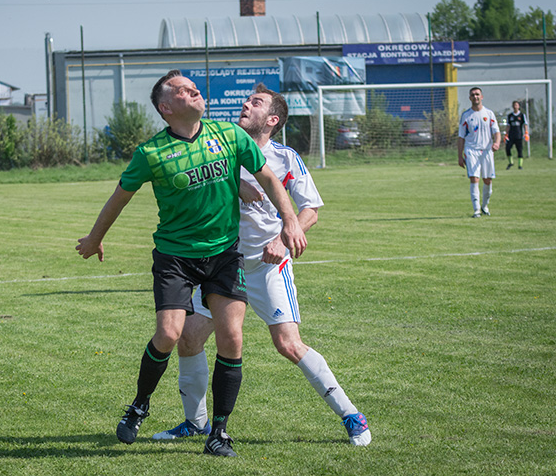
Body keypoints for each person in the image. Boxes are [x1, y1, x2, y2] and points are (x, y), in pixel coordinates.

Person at [76, 70, 307, 457]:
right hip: (175, 257)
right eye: (182, 90)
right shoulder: (151, 153)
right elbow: (120, 197)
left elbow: (268, 178)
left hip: (223, 253)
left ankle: (218, 433)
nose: (193, 90)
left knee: (232, 337)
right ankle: (139, 405)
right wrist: (95, 238)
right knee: (169, 334)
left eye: (193, 87)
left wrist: (290, 218)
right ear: (166, 108)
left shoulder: (228, 135)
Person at [150, 84, 371, 447]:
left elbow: (310, 211)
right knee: (188, 338)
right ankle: (196, 422)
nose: (244, 105)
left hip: (269, 267)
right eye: (246, 100)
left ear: (272, 120)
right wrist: (236, 181)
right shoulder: (220, 144)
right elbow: (192, 172)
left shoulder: (286, 158)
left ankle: (351, 414)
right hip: (225, 266)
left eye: (255, 103)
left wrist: (284, 238)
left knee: (288, 344)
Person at [458, 87, 501, 218]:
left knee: (487, 180)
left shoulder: (489, 114)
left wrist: (497, 143)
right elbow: (461, 137)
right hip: (471, 150)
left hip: (487, 151)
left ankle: (485, 206)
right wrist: (460, 156)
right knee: (474, 178)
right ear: (469, 98)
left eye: (477, 94)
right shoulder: (466, 116)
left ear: (482, 96)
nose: (475, 97)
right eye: (473, 95)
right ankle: (476, 210)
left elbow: (496, 132)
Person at [505, 101, 529, 170]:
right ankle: (511, 162)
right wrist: (506, 134)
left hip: (519, 136)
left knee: (520, 150)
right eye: (514, 105)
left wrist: (526, 133)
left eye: (516, 105)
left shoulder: (522, 115)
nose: (515, 106)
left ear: (518, 106)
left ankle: (520, 165)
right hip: (511, 136)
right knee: (508, 148)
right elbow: (508, 126)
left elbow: (525, 124)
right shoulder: (510, 116)